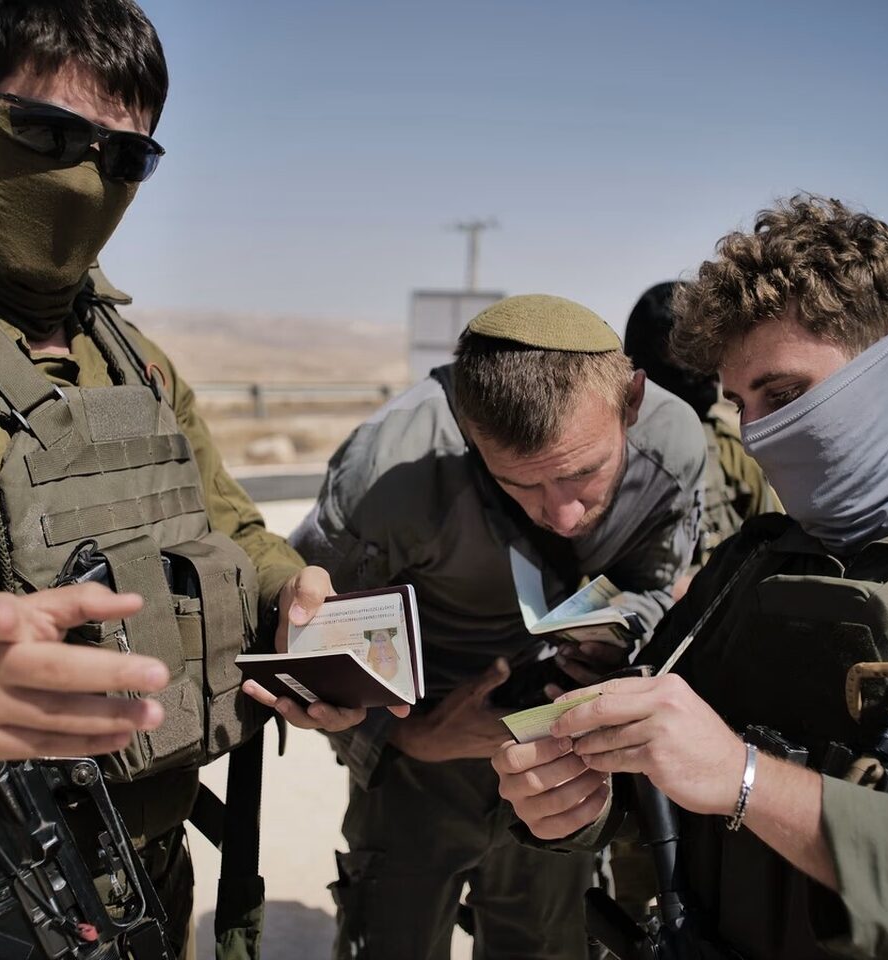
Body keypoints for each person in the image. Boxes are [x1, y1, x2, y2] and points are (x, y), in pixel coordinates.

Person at [0, 2, 391, 956]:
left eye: (126, 156)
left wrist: (291, 604)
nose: (85, 175)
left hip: (145, 897)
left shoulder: (136, 364)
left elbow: (231, 527)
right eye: (50, 133)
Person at [494, 196, 888, 959]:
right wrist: (572, 801)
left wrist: (748, 780)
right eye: (741, 403)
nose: (759, 432)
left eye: (785, 395)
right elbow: (650, 774)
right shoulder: (755, 560)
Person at [290, 293, 706, 959]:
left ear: (630, 402)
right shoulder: (390, 469)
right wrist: (408, 735)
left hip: (560, 745)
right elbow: (310, 646)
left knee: (544, 941)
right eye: (522, 485)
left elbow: (656, 581)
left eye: (584, 472)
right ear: (470, 427)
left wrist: (616, 642)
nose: (564, 516)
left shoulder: (674, 442)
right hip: (422, 748)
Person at [624, 281, 781, 598]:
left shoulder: (730, 449)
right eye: (687, 355)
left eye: (709, 352)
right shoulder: (613, 456)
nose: (707, 371)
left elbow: (774, 546)